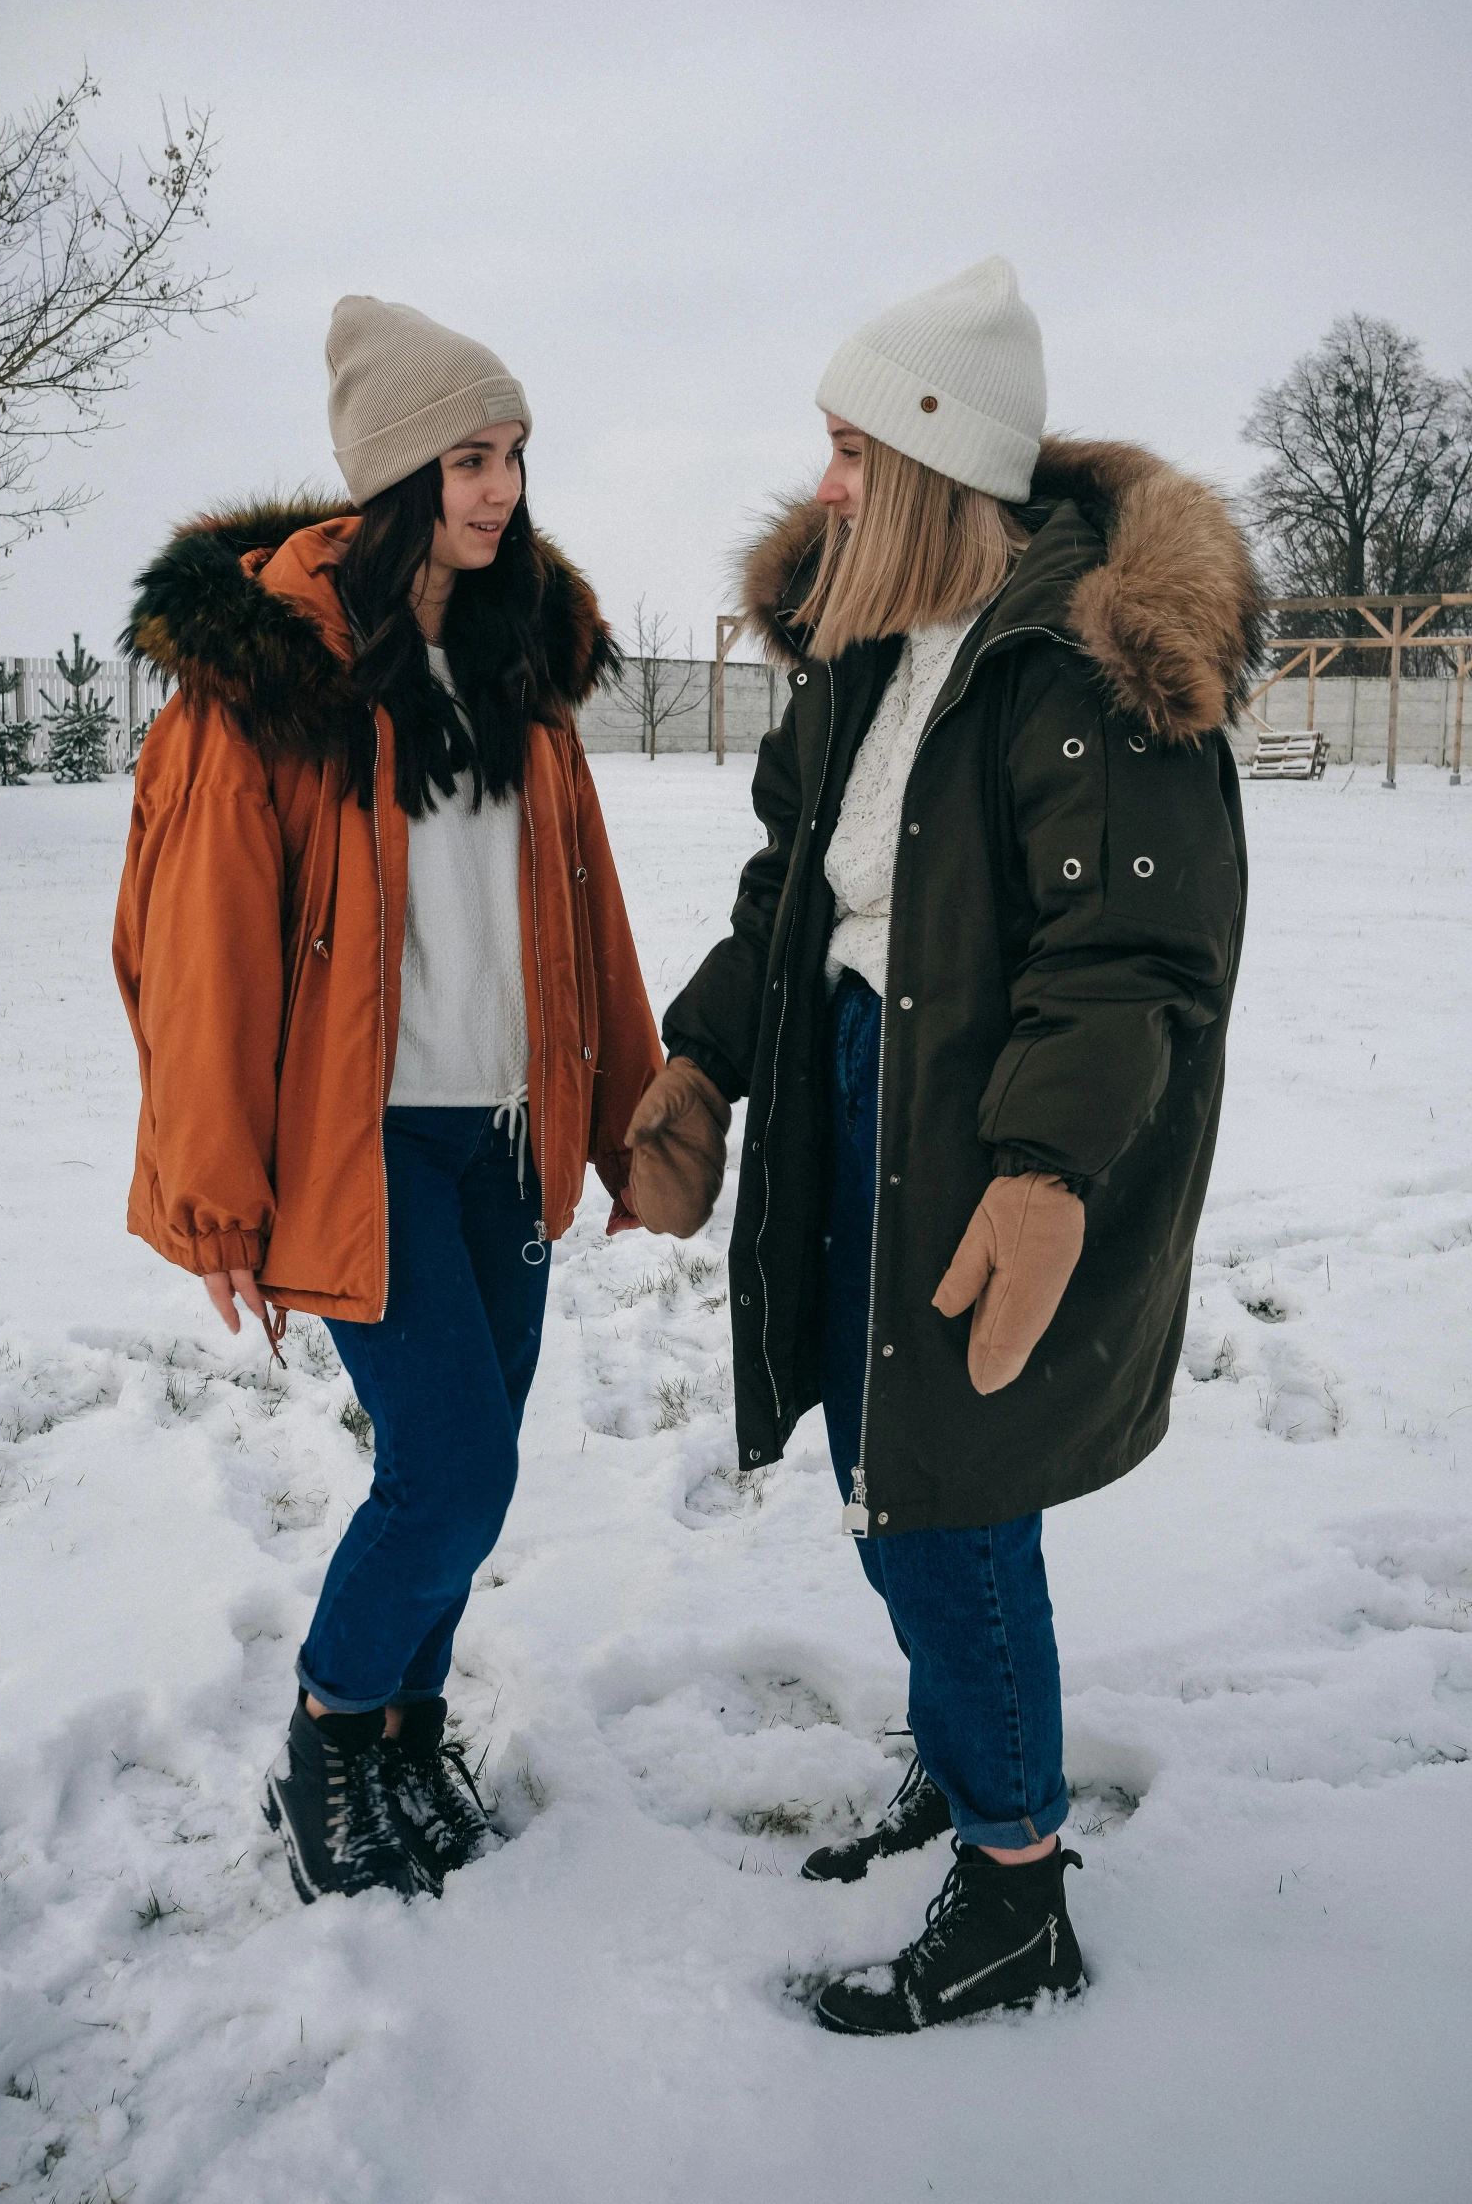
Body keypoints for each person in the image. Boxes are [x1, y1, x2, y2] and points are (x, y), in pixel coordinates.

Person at [627, 256, 1258, 2031]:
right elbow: (792, 889)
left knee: (948, 1495)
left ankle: (1010, 1890)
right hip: (851, 1082)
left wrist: (1047, 1173)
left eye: (844, 449)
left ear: (923, 461)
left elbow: (1130, 958)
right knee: (881, 1447)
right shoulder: (863, 643)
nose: (819, 485)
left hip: (979, 1122)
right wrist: (704, 1058)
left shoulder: (1078, 661)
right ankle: (967, 1754)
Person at [115, 297, 661, 1904]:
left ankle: (405, 1731)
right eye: (466, 460)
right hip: (360, 1144)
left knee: (465, 1457)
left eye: (511, 456)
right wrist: (213, 1194)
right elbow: (203, 959)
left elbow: (584, 909)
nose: (497, 490)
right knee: (451, 1465)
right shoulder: (275, 682)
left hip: (506, 1129)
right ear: (386, 480)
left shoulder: (516, 660)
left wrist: (625, 1118)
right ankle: (327, 1734)